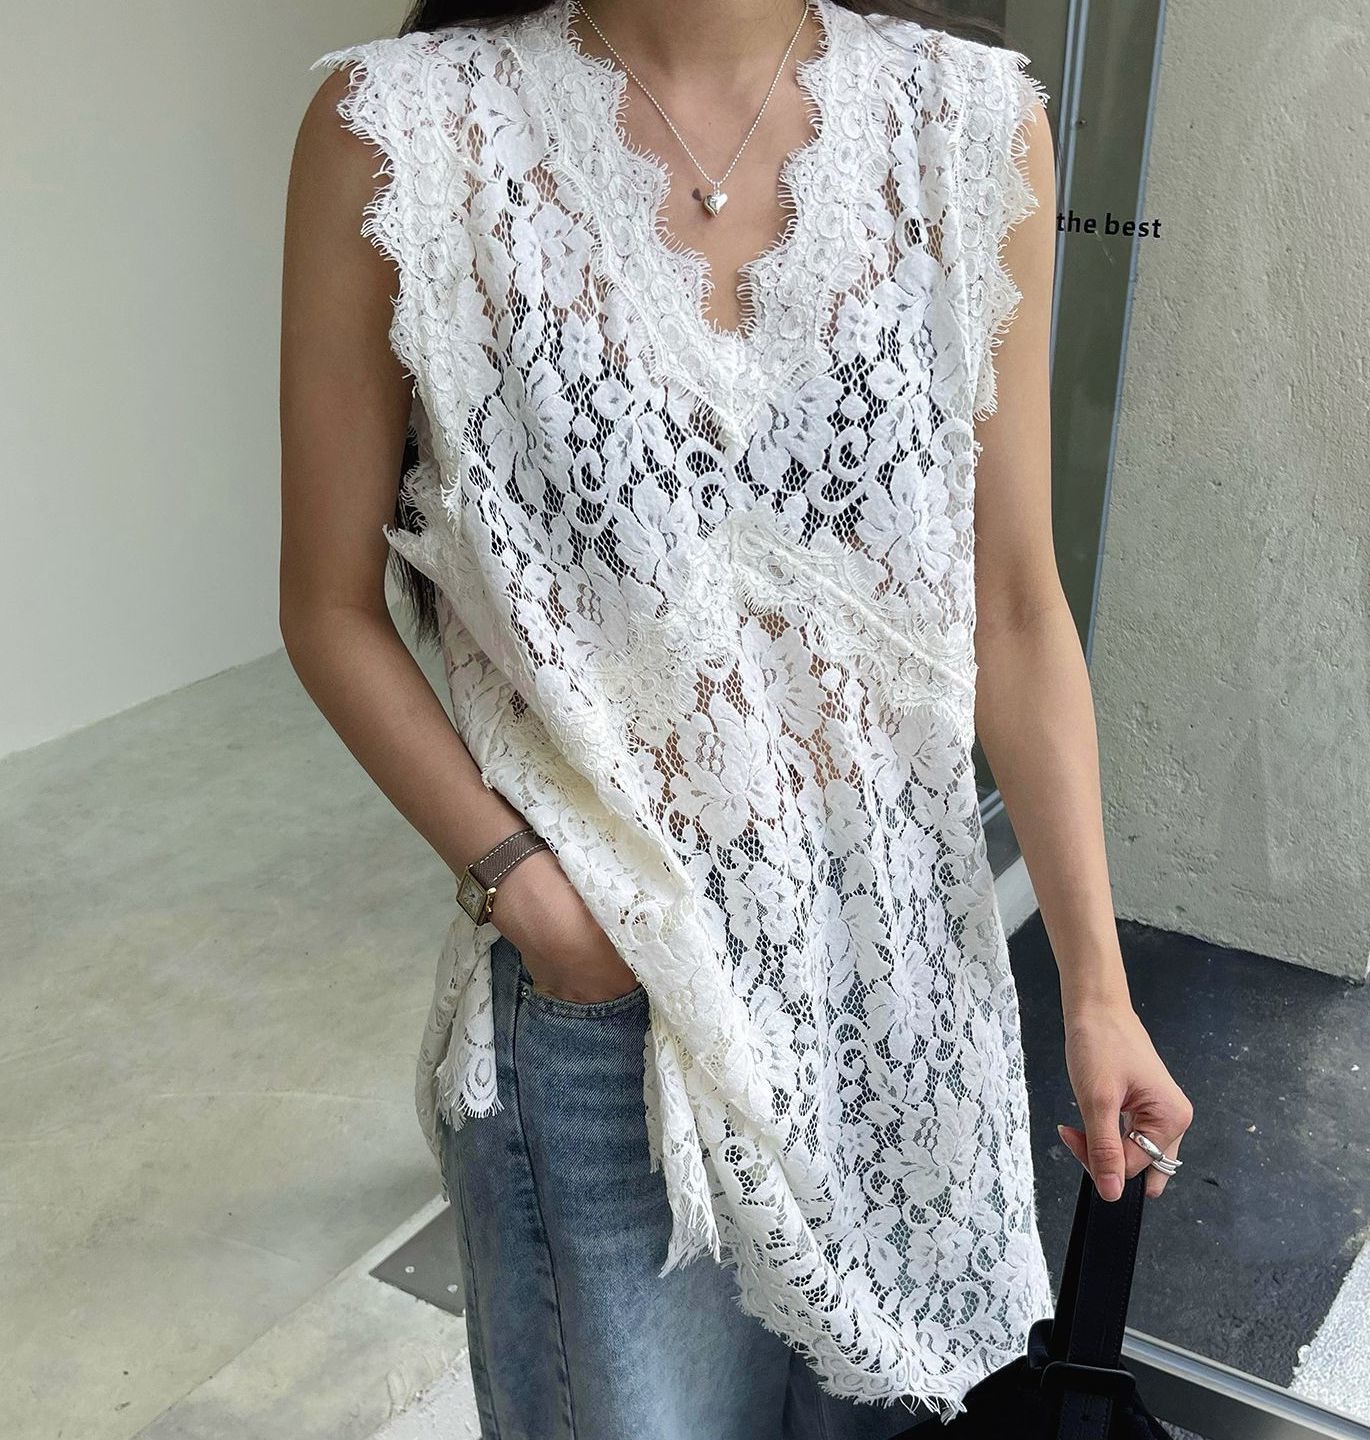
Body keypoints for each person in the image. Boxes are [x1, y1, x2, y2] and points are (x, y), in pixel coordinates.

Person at [279, 1, 1194, 1435]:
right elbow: (327, 606)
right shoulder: (403, 132)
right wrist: (533, 899)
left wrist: (1095, 985)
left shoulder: (967, 125)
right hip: (613, 1015)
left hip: (897, 1000)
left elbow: (1014, 607)